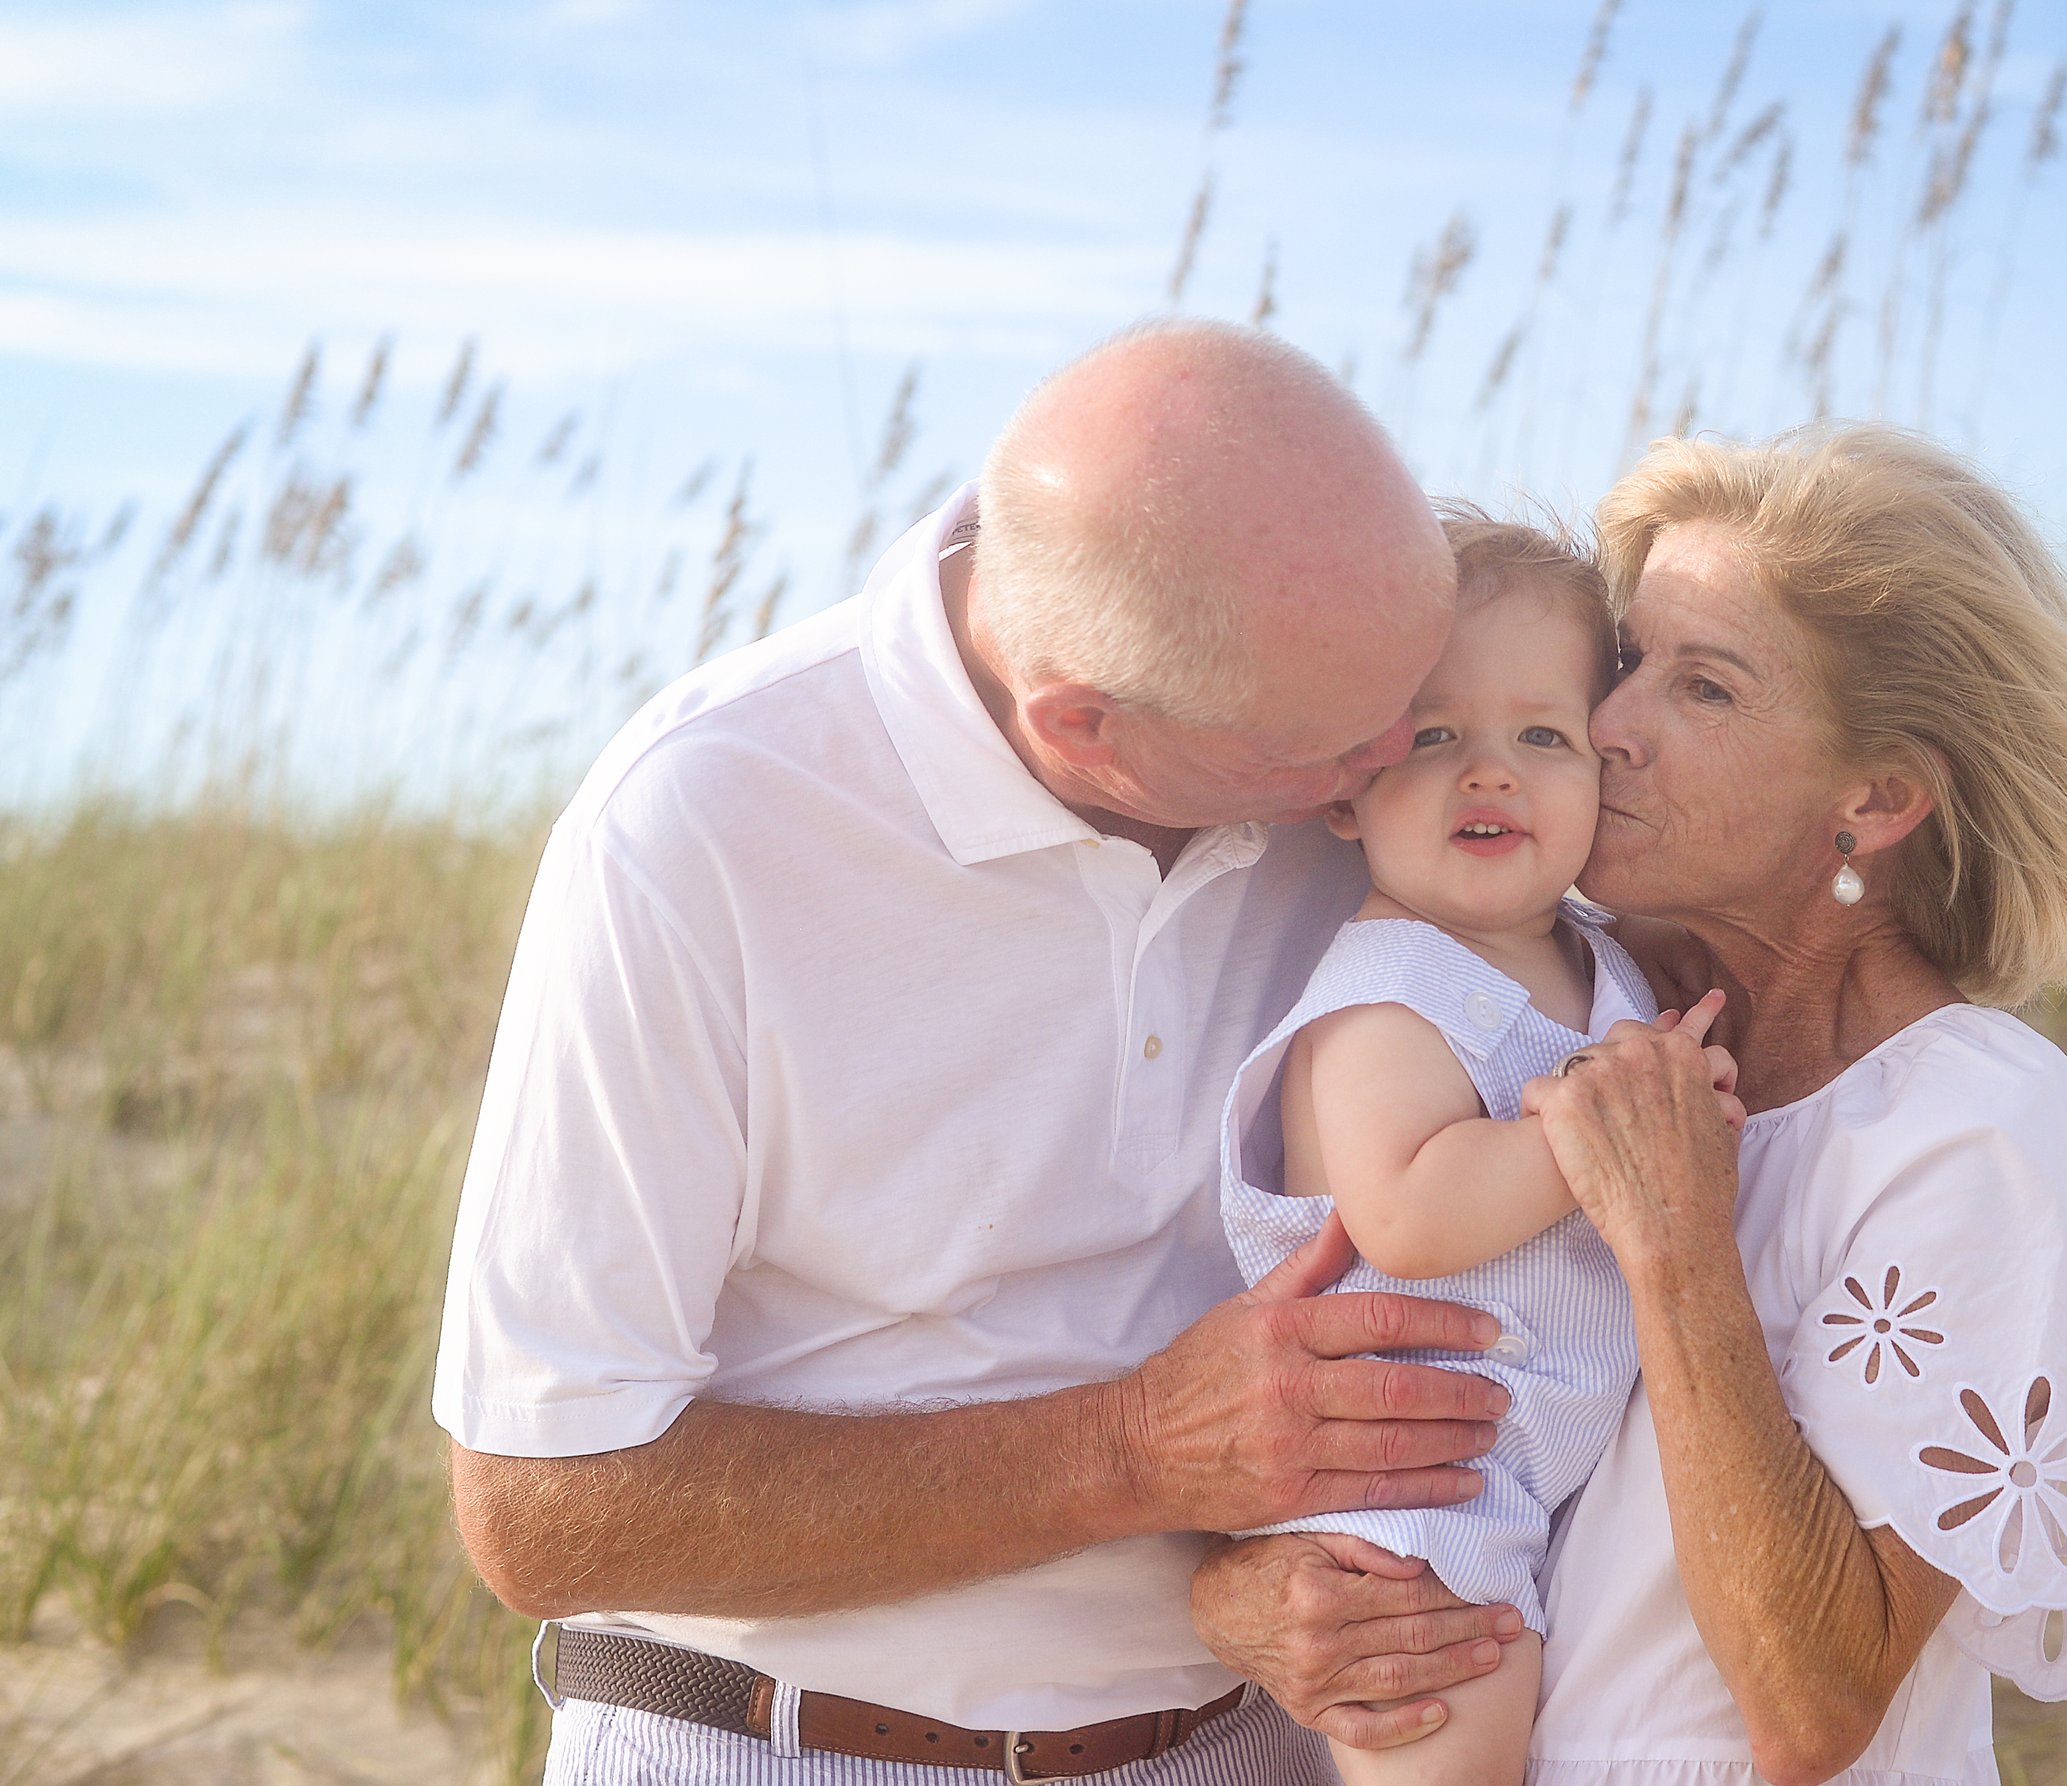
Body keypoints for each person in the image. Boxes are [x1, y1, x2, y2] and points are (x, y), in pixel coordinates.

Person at [431, 320, 1519, 1784]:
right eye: (1344, 742)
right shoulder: (697, 827)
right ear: (1087, 723)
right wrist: (1133, 1451)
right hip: (779, 1750)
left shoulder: (1358, 769)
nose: (1407, 764)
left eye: (1423, 701)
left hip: (1257, 1744)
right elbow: (542, 1510)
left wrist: (1243, 1573)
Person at [1193, 423, 2067, 1786]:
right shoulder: (1540, 985)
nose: (1609, 728)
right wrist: (1242, 1598)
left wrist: (1676, 1243)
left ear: (1876, 798)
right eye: (1627, 664)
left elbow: (1812, 1706)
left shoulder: (1981, 1133)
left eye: (1702, 689)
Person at [1218, 514, 1739, 1786]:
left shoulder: (1604, 963)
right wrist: (1606, 1128)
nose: (1490, 773)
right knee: (1447, 1746)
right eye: (1434, 736)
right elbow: (1405, 1208)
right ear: (1346, 783)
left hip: (1553, 1459)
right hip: (1413, 1497)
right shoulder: (1383, 991)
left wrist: (1689, 1095)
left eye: (1542, 736)